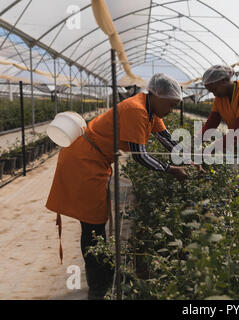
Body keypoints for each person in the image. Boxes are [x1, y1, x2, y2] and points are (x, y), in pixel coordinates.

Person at [46, 73, 194, 299]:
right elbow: (140, 156)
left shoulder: (151, 110)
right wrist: (171, 170)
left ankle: (104, 271)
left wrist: (189, 161)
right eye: (171, 105)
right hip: (83, 161)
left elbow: (168, 141)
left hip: (96, 160)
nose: (172, 110)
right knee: (92, 224)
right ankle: (98, 283)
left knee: (97, 221)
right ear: (157, 95)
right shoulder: (136, 110)